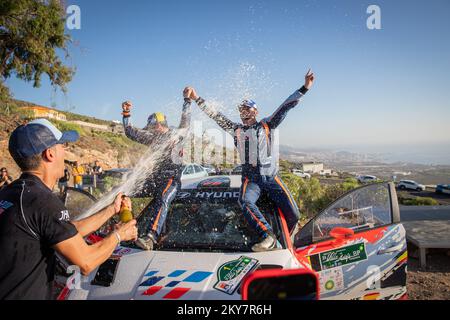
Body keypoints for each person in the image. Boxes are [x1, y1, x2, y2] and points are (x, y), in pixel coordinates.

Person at [0, 119, 138, 300]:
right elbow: (86, 262)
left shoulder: (11, 192)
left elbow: (64, 231)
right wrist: (119, 235)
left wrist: (111, 210)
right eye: (62, 145)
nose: (65, 151)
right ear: (49, 154)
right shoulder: (43, 201)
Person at [185, 69, 315, 251]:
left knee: (294, 214)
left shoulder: (266, 124)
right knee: (245, 201)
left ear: (256, 111)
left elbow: (285, 106)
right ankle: (268, 236)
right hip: (251, 178)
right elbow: (215, 115)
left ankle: (285, 241)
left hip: (271, 178)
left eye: (248, 109)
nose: (244, 112)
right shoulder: (235, 129)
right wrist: (197, 98)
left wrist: (305, 87)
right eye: (241, 110)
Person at [121, 90, 191, 250]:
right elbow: (130, 132)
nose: (149, 130)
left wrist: (187, 100)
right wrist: (126, 113)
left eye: (151, 127)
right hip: (155, 180)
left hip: (172, 180)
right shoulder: (152, 137)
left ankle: (150, 237)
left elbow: (185, 120)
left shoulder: (177, 134)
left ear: (157, 125)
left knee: (162, 198)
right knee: (125, 192)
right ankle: (125, 226)